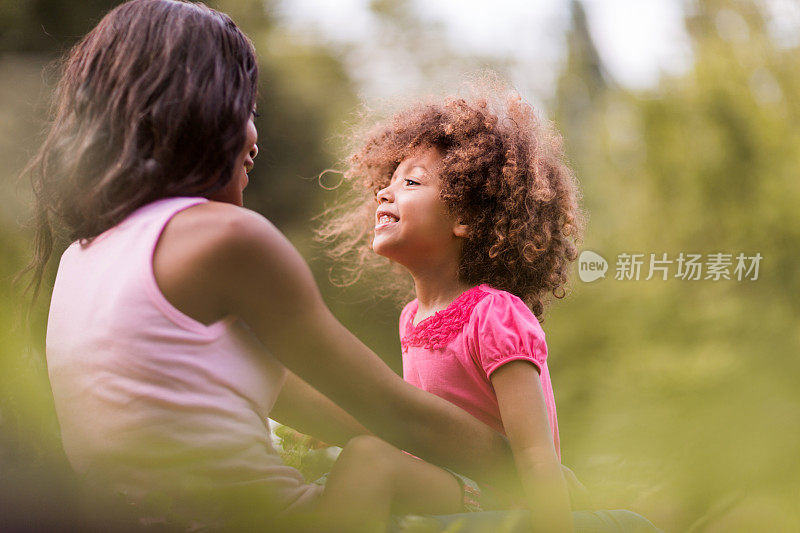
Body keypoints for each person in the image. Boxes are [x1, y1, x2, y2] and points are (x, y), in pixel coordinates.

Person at [22, 0, 522, 529]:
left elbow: (327, 408)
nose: (254, 137)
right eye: (245, 108)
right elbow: (390, 410)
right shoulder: (225, 239)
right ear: (200, 108)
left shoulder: (80, 258)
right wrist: (535, 468)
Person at [316, 83, 584, 531]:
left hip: (496, 498)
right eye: (388, 181)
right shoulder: (412, 317)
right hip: (445, 484)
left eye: (411, 182)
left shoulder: (495, 313)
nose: (384, 192)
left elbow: (537, 455)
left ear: (466, 219)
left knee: (367, 459)